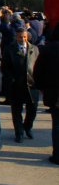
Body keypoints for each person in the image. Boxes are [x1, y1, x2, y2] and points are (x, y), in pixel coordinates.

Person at [2, 27, 40, 143]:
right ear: (16, 37)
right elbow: (5, 67)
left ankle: (27, 127)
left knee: (32, 110)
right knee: (16, 110)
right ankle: (19, 132)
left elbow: (38, 65)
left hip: (32, 85)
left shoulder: (35, 49)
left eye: (24, 37)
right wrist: (12, 78)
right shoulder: (9, 49)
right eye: (20, 37)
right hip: (16, 85)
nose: (22, 39)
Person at [33, 23, 59, 165]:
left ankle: (57, 155)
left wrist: (41, 88)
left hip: (53, 92)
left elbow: (38, 72)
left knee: (57, 124)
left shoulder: (47, 50)